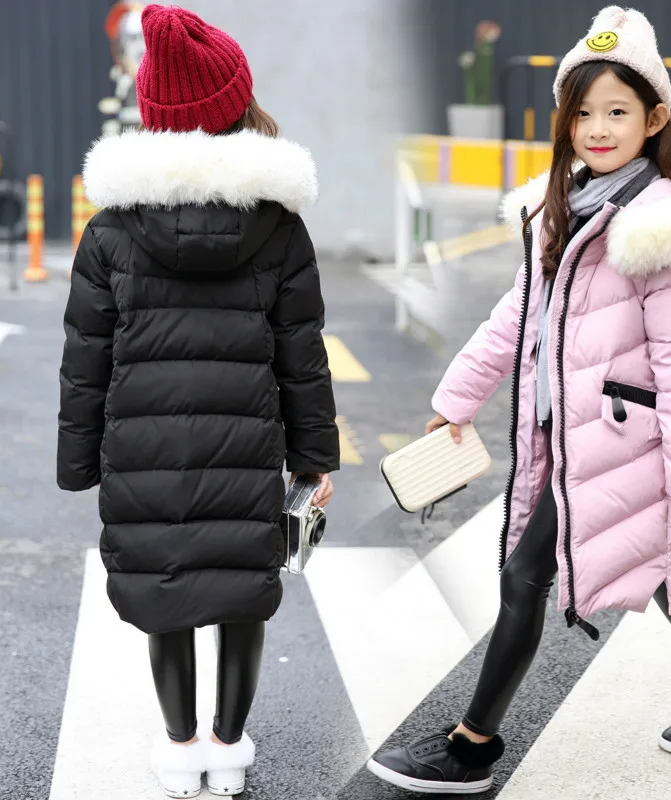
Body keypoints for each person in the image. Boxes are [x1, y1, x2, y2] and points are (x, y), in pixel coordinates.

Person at [367, 6, 671, 795]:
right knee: (653, 561)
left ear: (655, 118)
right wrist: (459, 396)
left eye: (617, 111)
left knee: (527, 575)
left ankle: (471, 745)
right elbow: (516, 316)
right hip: (572, 433)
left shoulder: (663, 225)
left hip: (626, 440)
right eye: (583, 112)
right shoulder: (565, 204)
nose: (597, 128)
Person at [56, 5, 339, 797]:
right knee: (243, 588)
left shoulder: (111, 230)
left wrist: (79, 462)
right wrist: (313, 458)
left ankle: (182, 749)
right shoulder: (278, 227)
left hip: (142, 454)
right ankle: (229, 746)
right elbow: (301, 353)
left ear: (152, 115)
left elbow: (85, 361)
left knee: (167, 592)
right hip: (246, 451)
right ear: (238, 105)